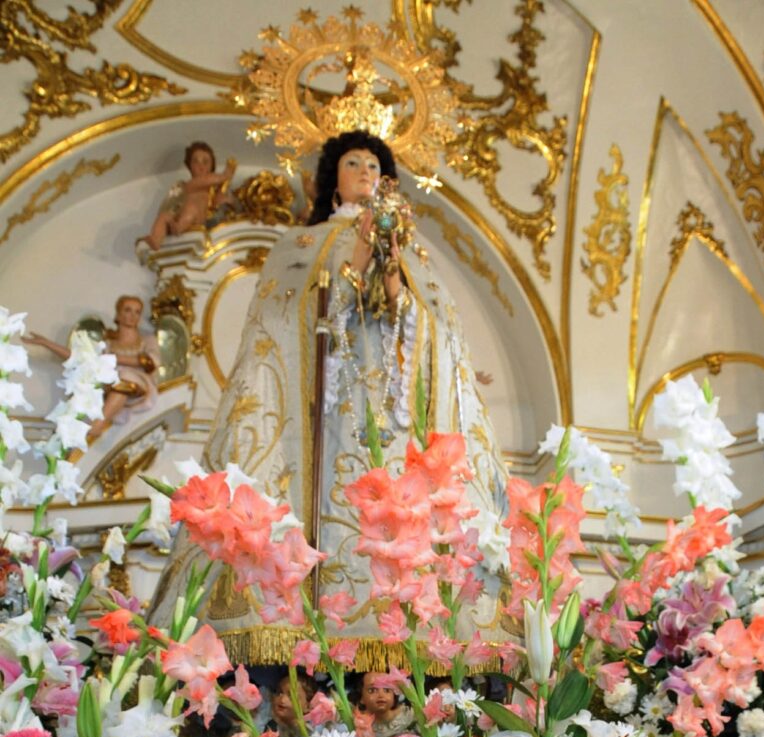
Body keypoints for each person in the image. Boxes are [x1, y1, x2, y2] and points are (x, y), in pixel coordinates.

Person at [149, 128, 507, 667]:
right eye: (354, 163)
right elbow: (285, 327)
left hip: (392, 415)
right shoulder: (301, 246)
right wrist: (357, 256)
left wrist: (390, 273)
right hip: (320, 420)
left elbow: (429, 330)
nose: (366, 173)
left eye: (375, 167)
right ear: (332, 180)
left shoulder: (416, 254)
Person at [26, 295, 160, 442]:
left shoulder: (147, 340)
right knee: (96, 383)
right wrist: (47, 343)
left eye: (137, 312)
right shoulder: (108, 344)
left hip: (138, 386)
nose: (133, 316)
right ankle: (91, 423)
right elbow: (81, 358)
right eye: (128, 310)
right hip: (112, 385)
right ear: (118, 314)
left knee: (125, 376)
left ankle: (98, 424)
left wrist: (111, 358)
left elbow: (150, 362)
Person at [147, 140, 237, 248]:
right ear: (190, 165)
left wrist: (227, 200)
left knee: (192, 208)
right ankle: (155, 241)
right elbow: (205, 180)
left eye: (205, 162)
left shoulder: (215, 190)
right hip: (183, 219)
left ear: (212, 165)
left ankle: (178, 227)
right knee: (164, 217)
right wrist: (224, 176)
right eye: (196, 161)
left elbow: (229, 206)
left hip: (201, 222)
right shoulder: (187, 185)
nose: (201, 166)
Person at [354, 670, 417, 737]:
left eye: (386, 690)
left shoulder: (408, 716)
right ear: (361, 697)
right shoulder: (356, 724)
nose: (381, 695)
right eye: (372, 690)